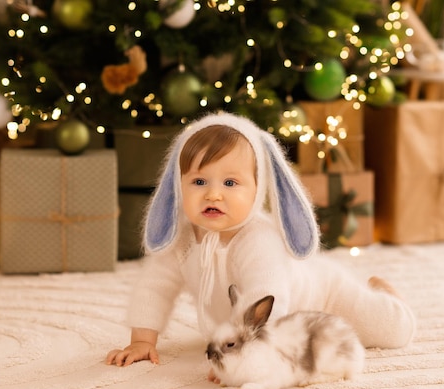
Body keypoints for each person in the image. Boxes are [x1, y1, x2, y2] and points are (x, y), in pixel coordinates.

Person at [106, 112, 416, 371]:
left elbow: (265, 301)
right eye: (199, 181)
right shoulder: (183, 237)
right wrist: (142, 341)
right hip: (269, 318)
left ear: (257, 190)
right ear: (178, 186)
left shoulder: (257, 238)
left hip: (324, 295)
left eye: (230, 182)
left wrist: (246, 360)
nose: (213, 194)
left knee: (390, 331)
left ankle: (389, 297)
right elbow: (154, 286)